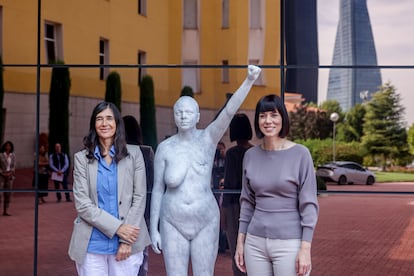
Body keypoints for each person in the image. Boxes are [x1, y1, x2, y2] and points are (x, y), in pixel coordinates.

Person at [150, 65, 261, 276]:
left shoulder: (208, 139)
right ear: (174, 116)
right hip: (172, 220)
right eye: (179, 112)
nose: (184, 116)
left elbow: (228, 112)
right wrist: (153, 228)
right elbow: (157, 189)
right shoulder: (165, 148)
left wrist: (249, 80)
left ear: (198, 116)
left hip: (205, 219)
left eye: (189, 112)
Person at [234, 94, 319, 276]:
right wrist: (241, 241)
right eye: (262, 116)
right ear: (257, 121)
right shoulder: (250, 156)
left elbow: (309, 205)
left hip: (289, 243)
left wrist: (306, 248)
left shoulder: (300, 154)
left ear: (283, 118)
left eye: (273, 115)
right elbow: (247, 202)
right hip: (255, 243)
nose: (268, 121)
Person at [68, 102, 151, 276]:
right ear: (93, 124)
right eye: (99, 119)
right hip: (92, 245)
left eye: (109, 118)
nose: (104, 123)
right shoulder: (81, 158)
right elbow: (83, 204)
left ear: (117, 123)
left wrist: (126, 239)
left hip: (127, 244)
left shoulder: (135, 155)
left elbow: (139, 197)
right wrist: (118, 228)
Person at [122, 115, 154, 276]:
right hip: (144, 212)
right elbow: (152, 183)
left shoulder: (118, 153)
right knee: (141, 256)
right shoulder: (146, 151)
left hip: (122, 213)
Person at [222, 113, 253, 276]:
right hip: (254, 206)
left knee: (236, 248)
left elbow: (228, 184)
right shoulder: (256, 151)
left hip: (235, 205)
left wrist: (223, 212)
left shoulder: (232, 154)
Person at [0, 141, 16, 216]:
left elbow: (13, 166)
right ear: (4, 146)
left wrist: (11, 172)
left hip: (9, 176)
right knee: (0, 193)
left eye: (9, 146)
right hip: (1, 176)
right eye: (7, 145)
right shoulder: (1, 155)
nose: (8, 147)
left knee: (8, 194)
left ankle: (5, 210)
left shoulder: (13, 155)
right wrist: (2, 172)